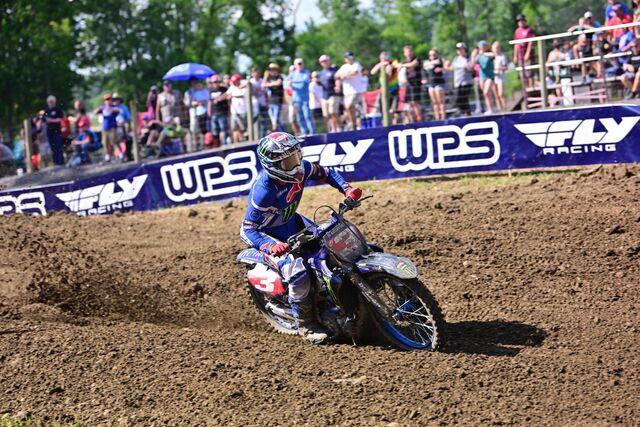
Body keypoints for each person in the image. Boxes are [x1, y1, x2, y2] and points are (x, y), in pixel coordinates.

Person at [240, 131, 363, 344]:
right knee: (298, 273)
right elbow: (247, 229)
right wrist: (269, 246)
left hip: (292, 222)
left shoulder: (302, 168)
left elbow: (326, 172)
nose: (296, 165)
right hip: (270, 235)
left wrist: (347, 188)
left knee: (334, 243)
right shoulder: (264, 191)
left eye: (296, 156)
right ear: (272, 165)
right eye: (289, 162)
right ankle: (306, 325)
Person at [336, 51, 365, 130]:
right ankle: (353, 124)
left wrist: (345, 75)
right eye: (348, 57)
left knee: (349, 106)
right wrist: (344, 75)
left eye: (351, 56)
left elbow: (354, 73)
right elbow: (337, 75)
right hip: (347, 92)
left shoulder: (356, 64)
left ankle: (354, 123)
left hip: (355, 91)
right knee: (348, 108)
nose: (350, 58)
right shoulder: (344, 66)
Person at [444, 42, 474, 117]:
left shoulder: (468, 58)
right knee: (458, 99)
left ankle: (467, 114)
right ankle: (465, 113)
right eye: (458, 49)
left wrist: (468, 68)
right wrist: (445, 67)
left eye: (461, 49)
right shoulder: (456, 59)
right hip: (458, 82)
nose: (459, 51)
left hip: (466, 82)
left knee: (464, 98)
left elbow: (471, 68)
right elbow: (452, 68)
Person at [371, 51, 401, 123]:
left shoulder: (393, 62)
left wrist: (388, 65)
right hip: (384, 92)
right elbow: (372, 72)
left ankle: (394, 123)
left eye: (386, 56)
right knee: (384, 111)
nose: (384, 58)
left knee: (393, 110)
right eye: (382, 57)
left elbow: (396, 66)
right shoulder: (380, 65)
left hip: (394, 90)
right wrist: (380, 64)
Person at [287, 58, 315, 136]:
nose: (300, 65)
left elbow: (303, 82)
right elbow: (285, 82)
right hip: (296, 100)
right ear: (295, 65)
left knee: (307, 116)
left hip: (305, 99)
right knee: (299, 117)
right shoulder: (292, 74)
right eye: (298, 64)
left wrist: (292, 83)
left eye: (301, 63)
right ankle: (304, 132)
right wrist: (290, 84)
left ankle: (312, 132)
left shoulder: (306, 72)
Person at [472, 41, 496, 115]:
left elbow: (494, 55)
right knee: (486, 94)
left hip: (489, 76)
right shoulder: (478, 56)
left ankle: (491, 109)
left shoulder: (488, 54)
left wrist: (483, 53)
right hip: (482, 76)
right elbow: (473, 64)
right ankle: (490, 109)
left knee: (486, 92)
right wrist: (473, 55)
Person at [184, 78, 210, 147]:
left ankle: (203, 143)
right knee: (193, 128)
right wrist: (194, 101)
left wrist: (198, 102)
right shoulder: (188, 92)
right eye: (192, 82)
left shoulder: (201, 90)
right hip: (192, 112)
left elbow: (205, 100)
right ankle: (195, 144)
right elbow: (187, 103)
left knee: (202, 128)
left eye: (195, 82)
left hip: (201, 111)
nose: (194, 83)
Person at [318, 55, 340, 133]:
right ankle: (332, 129)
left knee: (333, 112)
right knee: (326, 115)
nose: (324, 62)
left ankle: (336, 129)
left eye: (326, 61)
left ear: (329, 61)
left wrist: (338, 86)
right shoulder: (321, 73)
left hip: (333, 94)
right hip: (324, 96)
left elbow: (337, 79)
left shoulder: (334, 70)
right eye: (322, 61)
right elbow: (319, 83)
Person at [94, 92, 119, 162]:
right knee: (105, 143)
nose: (108, 101)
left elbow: (117, 111)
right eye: (106, 99)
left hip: (112, 128)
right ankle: (108, 155)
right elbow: (95, 112)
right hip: (105, 128)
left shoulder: (114, 107)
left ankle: (118, 154)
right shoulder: (103, 107)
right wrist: (100, 109)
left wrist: (111, 109)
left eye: (109, 99)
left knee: (113, 142)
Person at [514, 14, 536, 89]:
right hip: (520, 55)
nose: (520, 22)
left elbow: (531, 42)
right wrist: (515, 55)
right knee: (522, 74)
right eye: (519, 21)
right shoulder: (517, 31)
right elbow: (516, 44)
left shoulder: (529, 30)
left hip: (528, 55)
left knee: (529, 72)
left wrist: (527, 53)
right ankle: (526, 89)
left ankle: (531, 88)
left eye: (521, 20)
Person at [42, 95, 66, 166]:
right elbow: (43, 119)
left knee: (58, 146)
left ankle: (60, 162)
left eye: (52, 101)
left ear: (54, 102)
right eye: (49, 102)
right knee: (52, 147)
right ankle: (56, 162)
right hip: (49, 131)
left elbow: (61, 119)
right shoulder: (47, 111)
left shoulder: (58, 110)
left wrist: (51, 120)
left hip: (57, 131)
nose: (51, 103)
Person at [423, 48, 446, 121]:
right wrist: (431, 63)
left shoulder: (439, 60)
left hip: (439, 83)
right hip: (431, 84)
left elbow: (439, 62)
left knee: (440, 102)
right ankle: (437, 118)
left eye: (434, 54)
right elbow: (424, 65)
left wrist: (430, 63)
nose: (432, 56)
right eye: (430, 55)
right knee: (434, 102)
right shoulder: (429, 62)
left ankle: (443, 118)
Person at [208, 74, 229, 146]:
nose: (215, 83)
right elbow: (210, 102)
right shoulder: (211, 91)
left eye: (216, 82)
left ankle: (225, 144)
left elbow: (228, 97)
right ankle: (217, 145)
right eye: (213, 82)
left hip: (222, 112)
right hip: (214, 113)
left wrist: (220, 99)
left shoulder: (224, 89)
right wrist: (209, 112)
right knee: (215, 131)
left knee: (223, 129)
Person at [227, 73, 248, 144]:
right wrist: (220, 98)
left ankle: (242, 142)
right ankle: (235, 143)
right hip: (234, 112)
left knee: (242, 128)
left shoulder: (244, 86)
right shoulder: (232, 87)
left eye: (235, 81)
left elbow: (242, 95)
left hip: (242, 111)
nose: (233, 82)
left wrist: (232, 96)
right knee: (234, 128)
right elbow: (227, 94)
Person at [263, 63, 284, 132]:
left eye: (273, 69)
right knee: (274, 121)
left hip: (278, 101)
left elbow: (278, 83)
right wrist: (265, 76)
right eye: (270, 70)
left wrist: (268, 84)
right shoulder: (268, 78)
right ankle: (280, 132)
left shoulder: (279, 77)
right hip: (270, 101)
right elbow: (263, 86)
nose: (271, 71)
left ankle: (282, 132)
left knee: (276, 119)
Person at [250, 67, 269, 138]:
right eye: (254, 73)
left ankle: (262, 136)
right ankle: (250, 130)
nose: (256, 74)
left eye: (257, 73)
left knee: (264, 121)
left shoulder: (262, 81)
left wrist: (267, 102)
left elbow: (266, 93)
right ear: (252, 74)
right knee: (255, 116)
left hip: (263, 102)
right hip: (254, 103)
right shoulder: (250, 82)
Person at [113, 93, 132, 161]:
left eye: (117, 99)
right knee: (115, 140)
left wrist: (129, 126)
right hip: (115, 127)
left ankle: (128, 154)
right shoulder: (112, 108)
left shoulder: (124, 108)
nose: (115, 101)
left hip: (123, 126)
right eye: (114, 99)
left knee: (128, 140)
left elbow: (128, 118)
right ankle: (121, 154)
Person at [492, 42, 508, 111]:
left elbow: (506, 67)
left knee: (501, 94)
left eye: (496, 48)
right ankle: (500, 110)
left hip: (500, 76)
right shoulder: (493, 57)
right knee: (496, 95)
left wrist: (498, 68)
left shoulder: (502, 56)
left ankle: (505, 110)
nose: (495, 50)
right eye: (494, 48)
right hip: (494, 77)